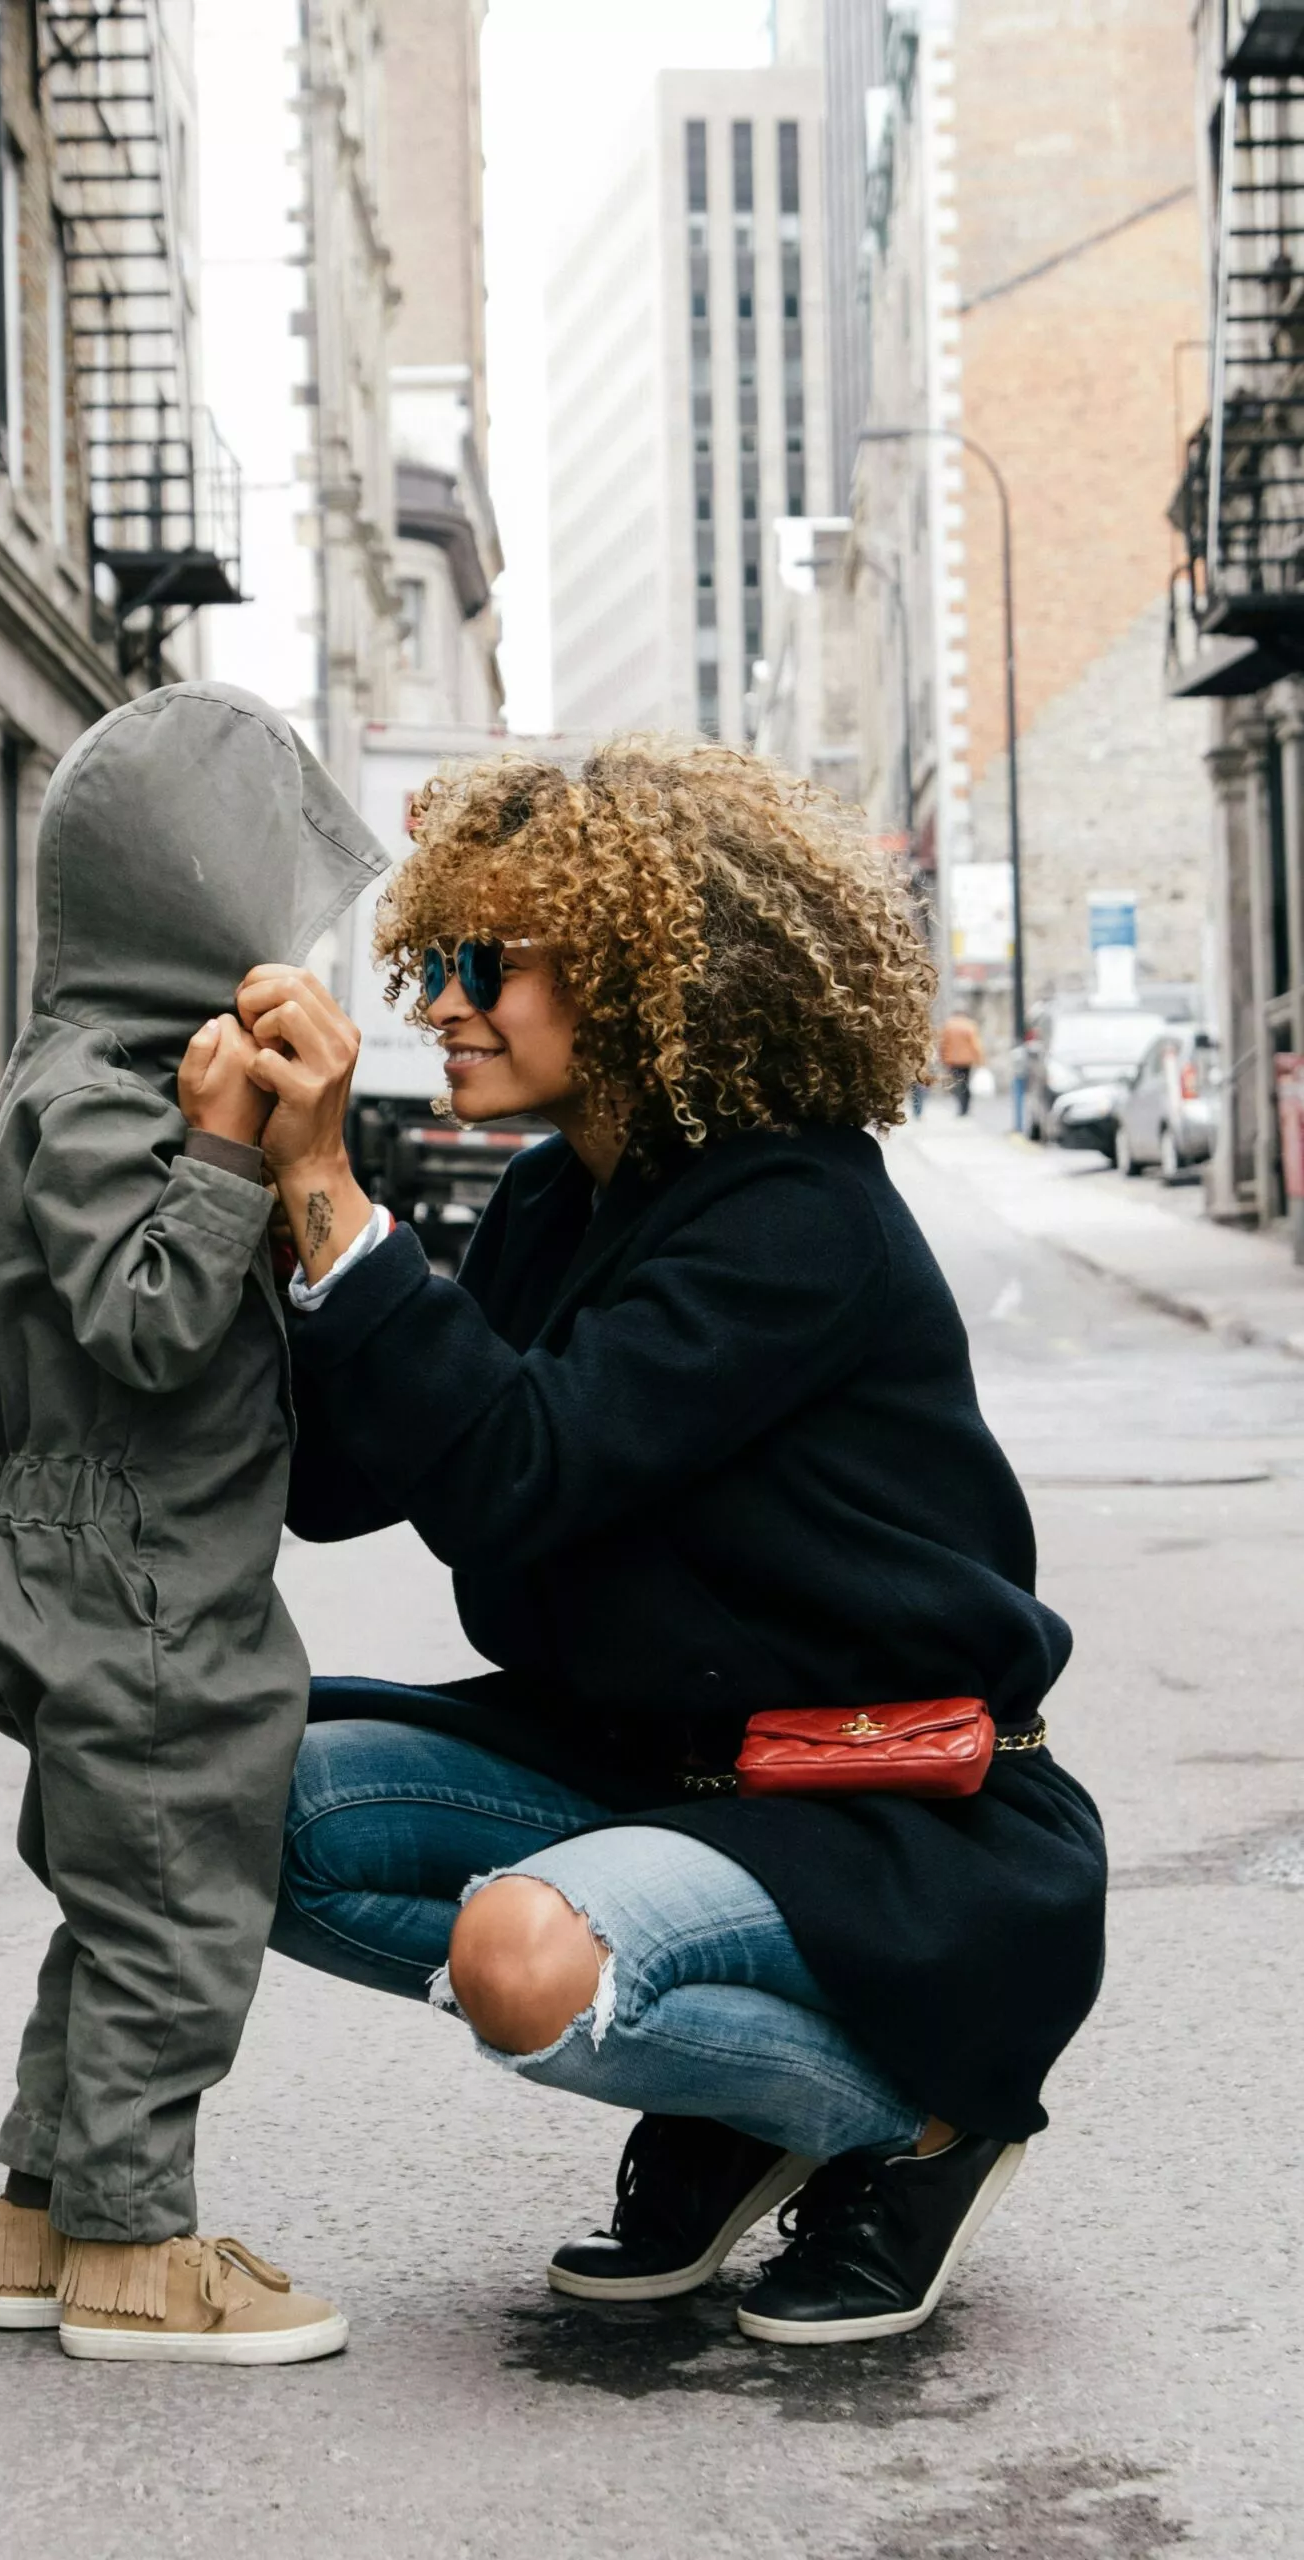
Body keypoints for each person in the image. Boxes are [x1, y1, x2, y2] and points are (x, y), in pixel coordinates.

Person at [239, 738, 1106, 2346]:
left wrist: (334, 1199)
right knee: (231, 1810)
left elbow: (517, 1470)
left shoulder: (792, 1214)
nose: (436, 1003)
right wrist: (264, 1191)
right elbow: (346, 1481)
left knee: (523, 1963)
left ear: (642, 969)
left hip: (880, 1812)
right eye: (428, 959)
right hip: (642, 1767)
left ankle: (905, 2122)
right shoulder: (551, 1207)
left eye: (481, 964)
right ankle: (736, 2102)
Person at [0, 681, 384, 2363]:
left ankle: (42, 2215)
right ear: (193, 894)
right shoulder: (119, 1096)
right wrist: (221, 1157)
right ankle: (137, 2253)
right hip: (144, 1588)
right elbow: (143, 1323)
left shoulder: (68, 1072)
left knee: (112, 1907)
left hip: (81, 1562)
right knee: (181, 1918)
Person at [937, 1010, 984, 1116]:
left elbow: (943, 1044)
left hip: (952, 1060)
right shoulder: (969, 1025)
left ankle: (961, 1106)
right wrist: (980, 1060)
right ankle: (965, 1107)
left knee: (957, 1083)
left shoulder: (948, 1026)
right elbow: (975, 1044)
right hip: (967, 1060)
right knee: (966, 1082)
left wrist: (942, 1058)